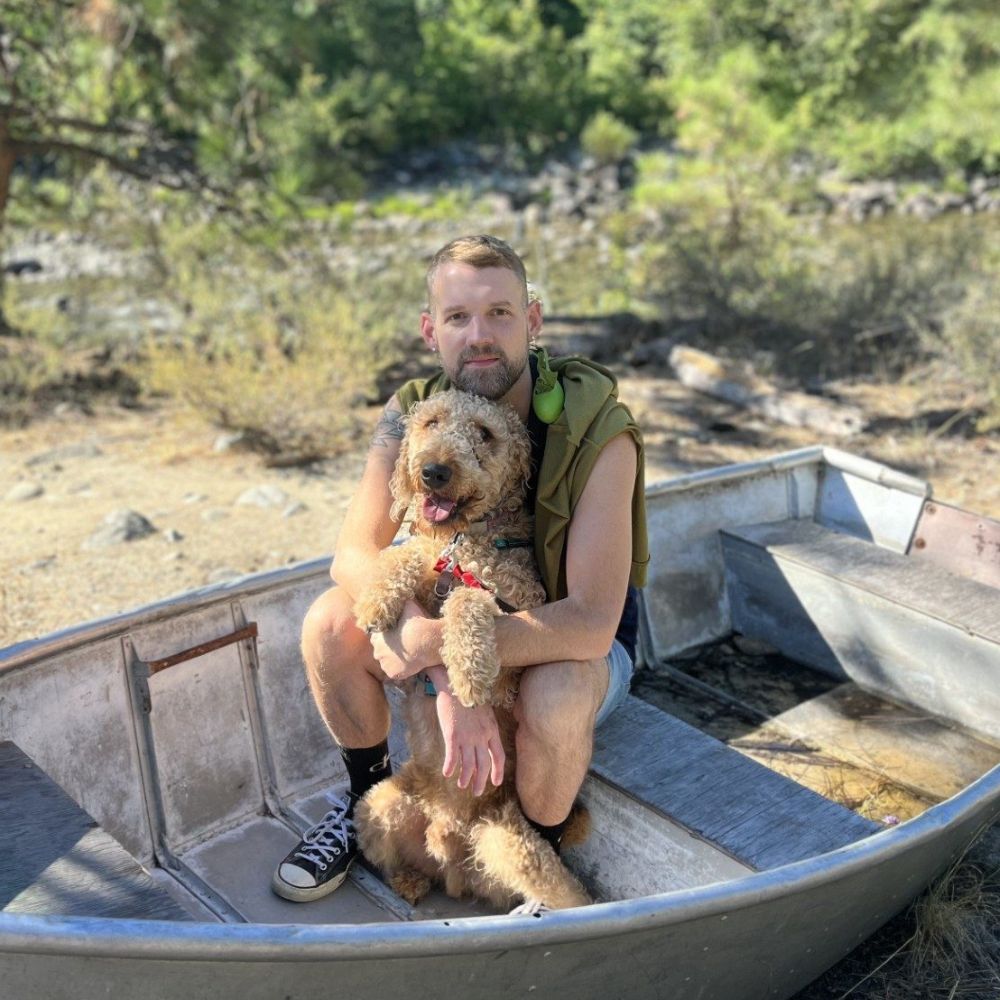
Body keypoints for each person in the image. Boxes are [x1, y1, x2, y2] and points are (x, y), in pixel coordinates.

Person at [271, 234, 648, 906]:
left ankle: (535, 849)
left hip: (569, 640)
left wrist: (436, 652)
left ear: (532, 322)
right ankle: (366, 807)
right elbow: (353, 557)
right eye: (457, 318)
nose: (480, 336)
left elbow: (591, 624)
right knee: (330, 624)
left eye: (500, 314)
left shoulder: (598, 430)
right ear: (430, 330)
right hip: (458, 628)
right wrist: (443, 673)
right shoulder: (412, 410)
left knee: (556, 690)